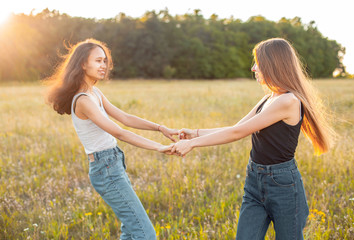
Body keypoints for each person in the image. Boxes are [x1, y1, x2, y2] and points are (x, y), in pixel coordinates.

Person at [172, 38, 334, 239]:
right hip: (254, 180)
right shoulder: (269, 98)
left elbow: (237, 133)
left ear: (273, 65)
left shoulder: (288, 101)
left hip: (282, 184)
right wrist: (195, 133)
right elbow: (237, 127)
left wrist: (192, 143)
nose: (253, 68)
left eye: (258, 63)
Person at [46, 38, 177, 240]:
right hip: (105, 169)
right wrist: (159, 148)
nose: (104, 66)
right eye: (98, 61)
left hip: (113, 163)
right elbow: (119, 132)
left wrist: (160, 128)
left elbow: (125, 118)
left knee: (131, 230)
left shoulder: (94, 92)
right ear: (83, 64)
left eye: (105, 61)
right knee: (145, 234)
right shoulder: (83, 100)